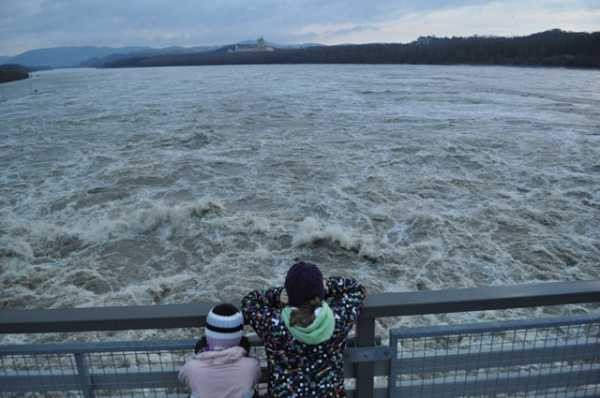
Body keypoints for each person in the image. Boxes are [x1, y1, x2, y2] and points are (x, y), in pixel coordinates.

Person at [242, 261, 367, 397]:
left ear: (289, 293)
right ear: (319, 292)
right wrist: (329, 285)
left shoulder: (274, 324)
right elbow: (357, 289)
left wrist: (277, 295)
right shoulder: (338, 319)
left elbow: (250, 302)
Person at [179, 303, 261, 398]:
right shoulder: (251, 366)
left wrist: (199, 353)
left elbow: (183, 378)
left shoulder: (191, 368)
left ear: (208, 333)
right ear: (240, 336)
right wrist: (245, 352)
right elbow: (255, 377)